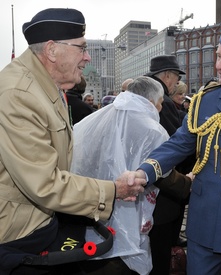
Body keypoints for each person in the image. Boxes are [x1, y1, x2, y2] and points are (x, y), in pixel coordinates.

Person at [0, 8, 145, 274]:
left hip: (38, 224)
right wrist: (113, 190)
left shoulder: (44, 86)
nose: (87, 57)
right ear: (53, 50)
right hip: (17, 236)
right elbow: (43, 183)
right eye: (82, 48)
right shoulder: (19, 94)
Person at [128, 20, 221, 275]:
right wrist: (145, 171)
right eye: (218, 56)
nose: (218, 65)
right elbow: (179, 143)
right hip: (205, 229)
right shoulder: (205, 101)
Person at [71, 76, 193, 274]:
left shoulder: (98, 118)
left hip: (96, 203)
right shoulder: (152, 129)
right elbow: (162, 173)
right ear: (152, 101)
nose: (161, 108)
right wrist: (187, 183)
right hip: (132, 206)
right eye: (161, 103)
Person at [145, 55, 195, 275]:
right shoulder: (162, 101)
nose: (176, 82)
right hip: (164, 191)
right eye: (176, 77)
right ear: (166, 76)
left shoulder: (140, 93)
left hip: (149, 189)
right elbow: (175, 144)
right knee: (160, 251)